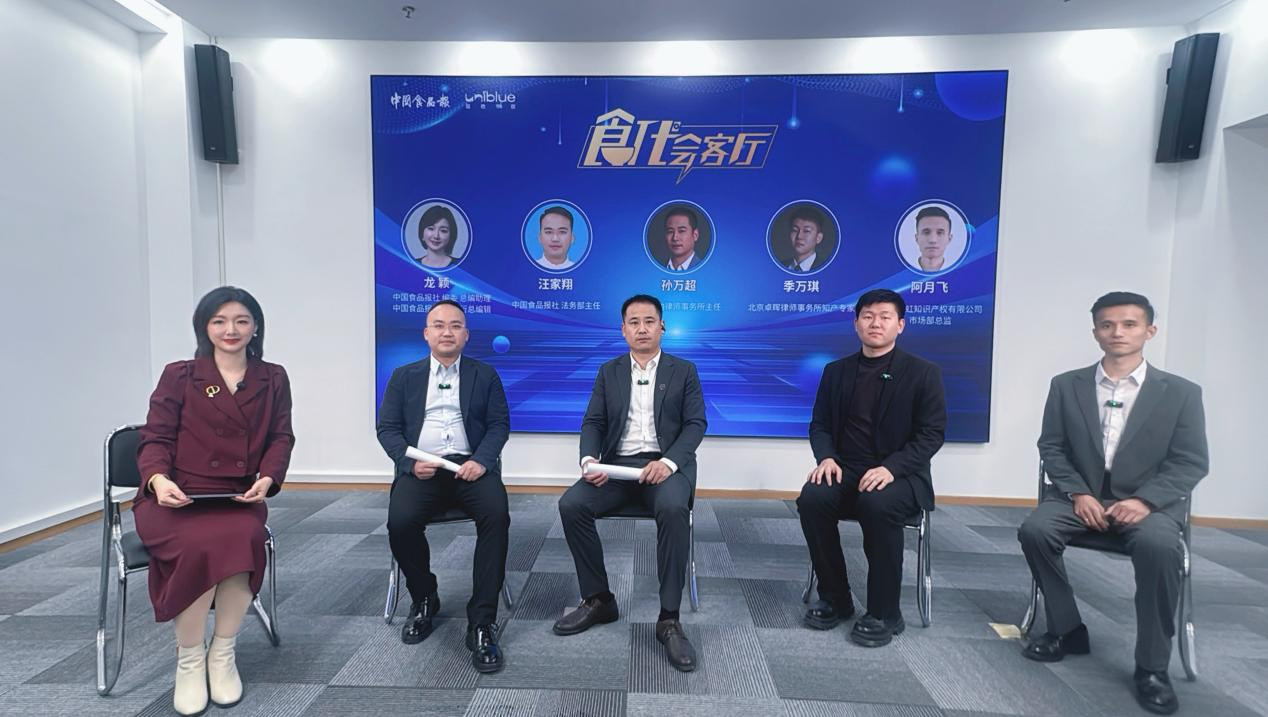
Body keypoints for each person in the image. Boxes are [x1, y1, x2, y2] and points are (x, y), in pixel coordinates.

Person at [1018, 291, 1208, 716]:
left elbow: (1191, 461)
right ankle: (1067, 629)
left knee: (1160, 547)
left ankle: (1152, 668)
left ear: (1149, 331)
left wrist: (1146, 500)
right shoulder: (1066, 385)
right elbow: (1052, 446)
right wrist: (1078, 492)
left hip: (1149, 506)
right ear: (1095, 332)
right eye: (1107, 325)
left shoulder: (1181, 392)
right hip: (1079, 497)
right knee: (1035, 530)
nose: (1117, 332)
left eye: (1129, 324)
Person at [133, 286, 295, 716]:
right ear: (204, 327)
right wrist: (157, 480)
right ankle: (189, 660)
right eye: (219, 321)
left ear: (255, 327)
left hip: (236, 495)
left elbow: (281, 436)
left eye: (241, 320)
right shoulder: (180, 374)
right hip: (176, 495)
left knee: (243, 539)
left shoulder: (272, 377)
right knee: (198, 546)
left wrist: (268, 477)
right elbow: (155, 438)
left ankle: (222, 653)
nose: (231, 329)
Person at [554, 294, 707, 672]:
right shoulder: (609, 371)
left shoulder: (683, 370)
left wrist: (668, 463)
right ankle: (599, 599)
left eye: (649, 321)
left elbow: (695, 424)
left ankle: (669, 619)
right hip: (617, 468)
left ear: (662, 327)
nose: (642, 328)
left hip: (665, 468)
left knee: (673, 508)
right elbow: (593, 422)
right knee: (571, 504)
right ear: (623, 330)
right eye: (634, 322)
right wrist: (589, 460)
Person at [797, 288, 946, 648]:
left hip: (900, 474)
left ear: (900, 325)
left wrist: (891, 469)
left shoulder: (923, 373)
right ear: (856, 323)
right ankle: (836, 597)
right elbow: (819, 425)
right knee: (812, 499)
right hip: (845, 468)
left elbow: (931, 435)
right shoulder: (836, 372)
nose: (875, 323)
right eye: (867, 316)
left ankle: (885, 612)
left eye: (884, 317)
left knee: (876, 504)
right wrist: (826, 458)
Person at [376, 299, 511, 674]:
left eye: (455, 326)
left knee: (497, 516)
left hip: (470, 468)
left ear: (466, 335)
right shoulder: (404, 376)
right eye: (439, 325)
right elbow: (387, 429)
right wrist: (409, 463)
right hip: (423, 469)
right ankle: (424, 598)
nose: (447, 332)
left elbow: (499, 425)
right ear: (426, 333)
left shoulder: (485, 375)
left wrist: (481, 461)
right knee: (400, 522)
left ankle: (482, 621)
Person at [785, 206, 829, 272]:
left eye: (806, 231)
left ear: (818, 238)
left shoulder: (827, 268)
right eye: (795, 230)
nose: (799, 236)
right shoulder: (780, 266)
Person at [416, 205, 460, 269]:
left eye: (443, 231)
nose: (436, 236)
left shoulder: (461, 266)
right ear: (422, 233)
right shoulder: (412, 264)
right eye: (431, 229)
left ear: (451, 236)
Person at [911, 205, 953, 272]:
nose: (933, 240)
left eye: (939, 233)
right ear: (917, 238)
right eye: (926, 232)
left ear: (949, 239)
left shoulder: (960, 272)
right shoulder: (901, 275)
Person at [535, 206, 577, 270]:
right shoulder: (528, 269)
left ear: (572, 238)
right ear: (539, 238)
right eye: (549, 232)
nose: (555, 239)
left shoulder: (580, 270)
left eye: (562, 232)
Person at [662, 207, 701, 271]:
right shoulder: (656, 268)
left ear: (695, 235)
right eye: (670, 231)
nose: (675, 238)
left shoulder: (705, 269)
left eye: (681, 231)